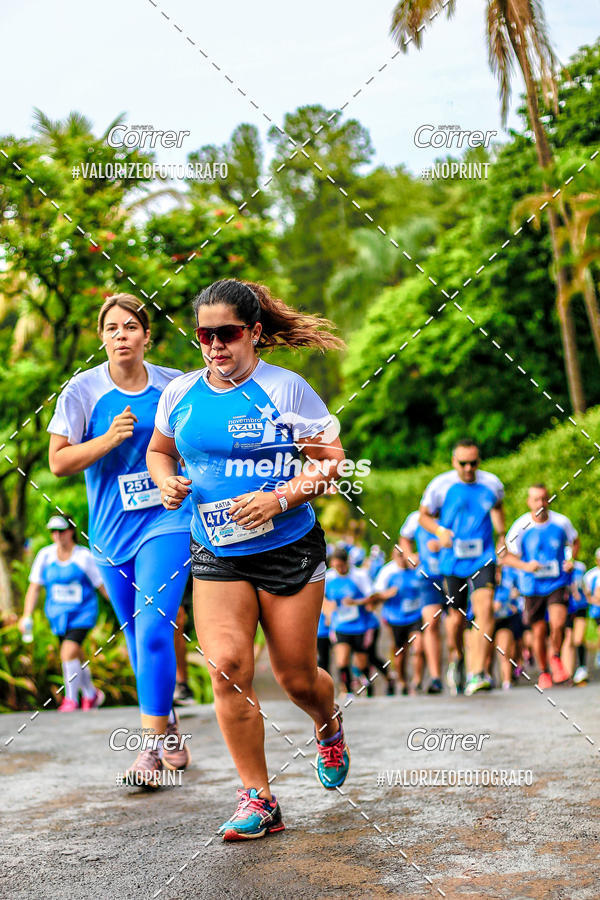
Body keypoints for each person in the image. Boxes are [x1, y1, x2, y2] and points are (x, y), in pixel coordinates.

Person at [146, 278, 350, 840]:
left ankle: (327, 725)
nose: (215, 345)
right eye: (204, 335)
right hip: (217, 551)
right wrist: (167, 484)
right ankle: (259, 798)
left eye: (227, 334)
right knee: (228, 669)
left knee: (296, 677)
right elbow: (159, 451)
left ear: (254, 332)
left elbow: (331, 461)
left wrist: (277, 498)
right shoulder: (179, 394)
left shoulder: (286, 390)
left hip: (288, 548)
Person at [48, 294, 193, 785]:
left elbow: (196, 441)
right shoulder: (82, 391)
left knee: (154, 628)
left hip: (167, 520)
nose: (121, 335)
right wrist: (108, 439)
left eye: (131, 327)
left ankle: (148, 752)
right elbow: (58, 462)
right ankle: (166, 720)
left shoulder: (176, 384)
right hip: (111, 531)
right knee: (135, 640)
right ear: (101, 337)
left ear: (146, 336)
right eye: (112, 328)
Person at [419, 438, 506, 696]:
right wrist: (439, 531)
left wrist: (502, 535)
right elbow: (423, 515)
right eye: (463, 463)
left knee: (485, 610)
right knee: (456, 620)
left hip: (483, 557)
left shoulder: (492, 483)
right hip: (452, 561)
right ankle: (457, 657)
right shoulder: (440, 486)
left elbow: (499, 507)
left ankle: (477, 673)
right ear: (453, 462)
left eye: (474, 463)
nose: (469, 468)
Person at [19, 515, 107, 711]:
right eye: (53, 531)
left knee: (67, 652)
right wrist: (26, 615)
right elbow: (34, 587)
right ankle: (92, 694)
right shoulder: (45, 556)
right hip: (58, 616)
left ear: (71, 531)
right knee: (76, 655)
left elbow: (102, 586)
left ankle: (71, 699)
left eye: (61, 530)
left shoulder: (84, 556)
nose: (57, 535)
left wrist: (126, 608)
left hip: (82, 615)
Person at [505, 484, 579, 689]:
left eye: (545, 499)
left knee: (558, 623)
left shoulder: (561, 522)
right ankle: (544, 671)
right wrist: (525, 566)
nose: (541, 504)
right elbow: (505, 556)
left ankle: (555, 657)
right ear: (529, 502)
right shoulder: (520, 527)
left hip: (557, 582)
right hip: (532, 587)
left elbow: (574, 542)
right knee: (538, 632)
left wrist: (571, 559)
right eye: (536, 499)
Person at [326, 547, 381, 698]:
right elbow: (321, 597)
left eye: (341, 566)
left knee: (361, 662)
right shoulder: (328, 577)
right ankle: (347, 690)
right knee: (342, 659)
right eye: (335, 566)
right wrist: (328, 609)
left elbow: (372, 597)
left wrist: (356, 602)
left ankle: (368, 686)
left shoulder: (359, 575)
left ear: (347, 563)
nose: (339, 569)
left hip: (359, 626)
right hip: (340, 625)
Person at [399, 511, 443, 693]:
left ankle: (459, 661)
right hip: (428, 577)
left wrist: (443, 544)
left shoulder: (452, 511)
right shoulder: (415, 518)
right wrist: (409, 555)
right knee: (431, 624)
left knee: (456, 623)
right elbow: (404, 538)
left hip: (454, 573)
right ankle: (435, 678)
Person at [371, 546, 424, 694]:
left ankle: (417, 681)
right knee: (400, 652)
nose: (401, 557)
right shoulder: (388, 572)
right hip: (395, 618)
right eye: (398, 555)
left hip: (415, 616)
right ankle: (402, 680)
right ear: (393, 556)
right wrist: (387, 594)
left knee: (419, 647)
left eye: (403, 554)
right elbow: (374, 595)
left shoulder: (416, 569)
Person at [492, 566, 522, 690]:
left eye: (498, 573)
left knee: (504, 650)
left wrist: (511, 603)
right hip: (488, 623)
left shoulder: (506, 587)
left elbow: (516, 600)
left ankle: (507, 681)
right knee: (488, 656)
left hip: (505, 620)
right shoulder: (481, 588)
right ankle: (486, 678)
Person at [563, 557, 589, 685]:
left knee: (578, 639)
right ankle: (568, 674)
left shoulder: (580, 568)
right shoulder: (559, 569)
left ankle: (582, 667)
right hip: (567, 608)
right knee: (568, 639)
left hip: (580, 607)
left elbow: (584, 586)